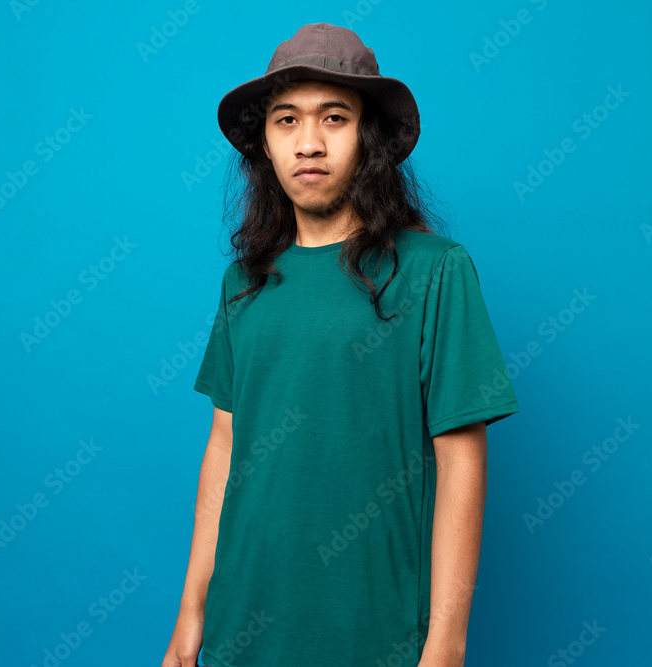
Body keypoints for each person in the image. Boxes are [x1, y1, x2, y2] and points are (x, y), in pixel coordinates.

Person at [163, 22, 519, 667]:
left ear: (369, 139)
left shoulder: (435, 270)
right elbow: (224, 450)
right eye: (286, 120)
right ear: (264, 145)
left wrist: (446, 642)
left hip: (373, 626)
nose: (309, 142)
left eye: (334, 117)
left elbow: (461, 461)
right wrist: (191, 617)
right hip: (244, 621)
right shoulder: (245, 280)